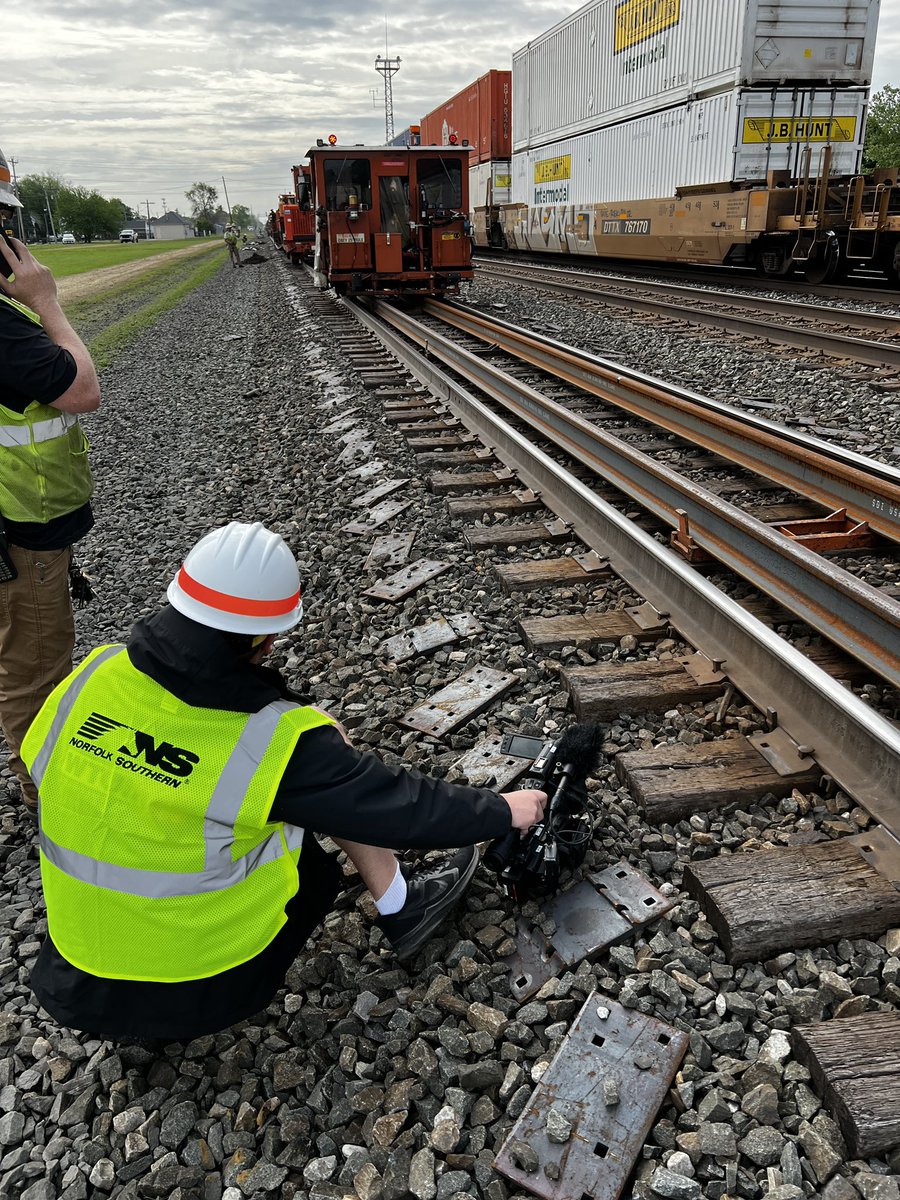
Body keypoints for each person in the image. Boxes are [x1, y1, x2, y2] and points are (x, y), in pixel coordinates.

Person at [22, 522, 548, 1042]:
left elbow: (50, 764)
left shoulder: (95, 673)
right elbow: (398, 805)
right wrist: (503, 810)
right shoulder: (268, 744)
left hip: (72, 973)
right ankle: (400, 904)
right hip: (193, 988)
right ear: (265, 638)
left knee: (269, 783)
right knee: (312, 796)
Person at [0, 147, 101, 826]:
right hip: (20, 540)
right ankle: (52, 800)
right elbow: (82, 388)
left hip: (17, 532)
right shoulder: (6, 330)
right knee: (34, 674)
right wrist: (47, 302)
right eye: (11, 232)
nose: (21, 246)